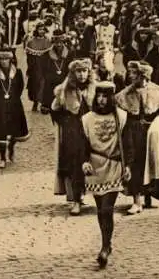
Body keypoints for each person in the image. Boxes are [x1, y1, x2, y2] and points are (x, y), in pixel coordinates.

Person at [81, 81, 133, 268]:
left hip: (113, 166)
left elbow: (128, 143)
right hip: (95, 168)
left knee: (106, 208)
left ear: (111, 98)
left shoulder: (122, 117)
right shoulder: (87, 119)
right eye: (99, 96)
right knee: (100, 210)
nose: (102, 100)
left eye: (105, 97)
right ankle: (107, 243)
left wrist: (129, 165)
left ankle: (104, 247)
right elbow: (83, 144)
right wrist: (84, 161)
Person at [115, 61, 159, 214]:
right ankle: (136, 200)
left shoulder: (158, 92)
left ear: (143, 75)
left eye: (135, 73)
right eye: (130, 73)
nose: (131, 76)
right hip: (134, 132)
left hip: (153, 132)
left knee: (153, 162)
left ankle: (149, 195)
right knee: (135, 163)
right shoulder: (125, 94)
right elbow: (121, 113)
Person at [52, 58, 96, 216]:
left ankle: (95, 194)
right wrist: (67, 122)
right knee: (75, 165)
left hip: (91, 131)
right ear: (73, 73)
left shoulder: (94, 88)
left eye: (84, 71)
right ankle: (76, 200)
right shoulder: (65, 90)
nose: (82, 74)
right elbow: (55, 110)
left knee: (94, 162)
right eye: (79, 71)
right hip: (74, 133)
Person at [0, 49, 30, 169]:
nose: (4, 62)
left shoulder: (17, 72)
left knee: (14, 130)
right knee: (1, 131)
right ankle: (2, 157)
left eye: (6, 59)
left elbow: (20, 87)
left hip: (14, 104)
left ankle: (11, 148)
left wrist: (14, 97)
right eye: (2, 59)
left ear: (10, 60)